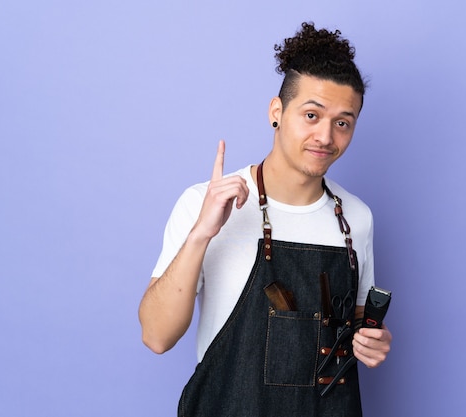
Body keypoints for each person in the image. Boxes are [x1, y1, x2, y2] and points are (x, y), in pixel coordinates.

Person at [139, 22, 392, 416]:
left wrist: (371, 341)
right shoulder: (205, 203)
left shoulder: (356, 218)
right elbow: (156, 336)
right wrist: (201, 234)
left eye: (343, 122)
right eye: (311, 114)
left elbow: (358, 329)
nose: (326, 136)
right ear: (277, 112)